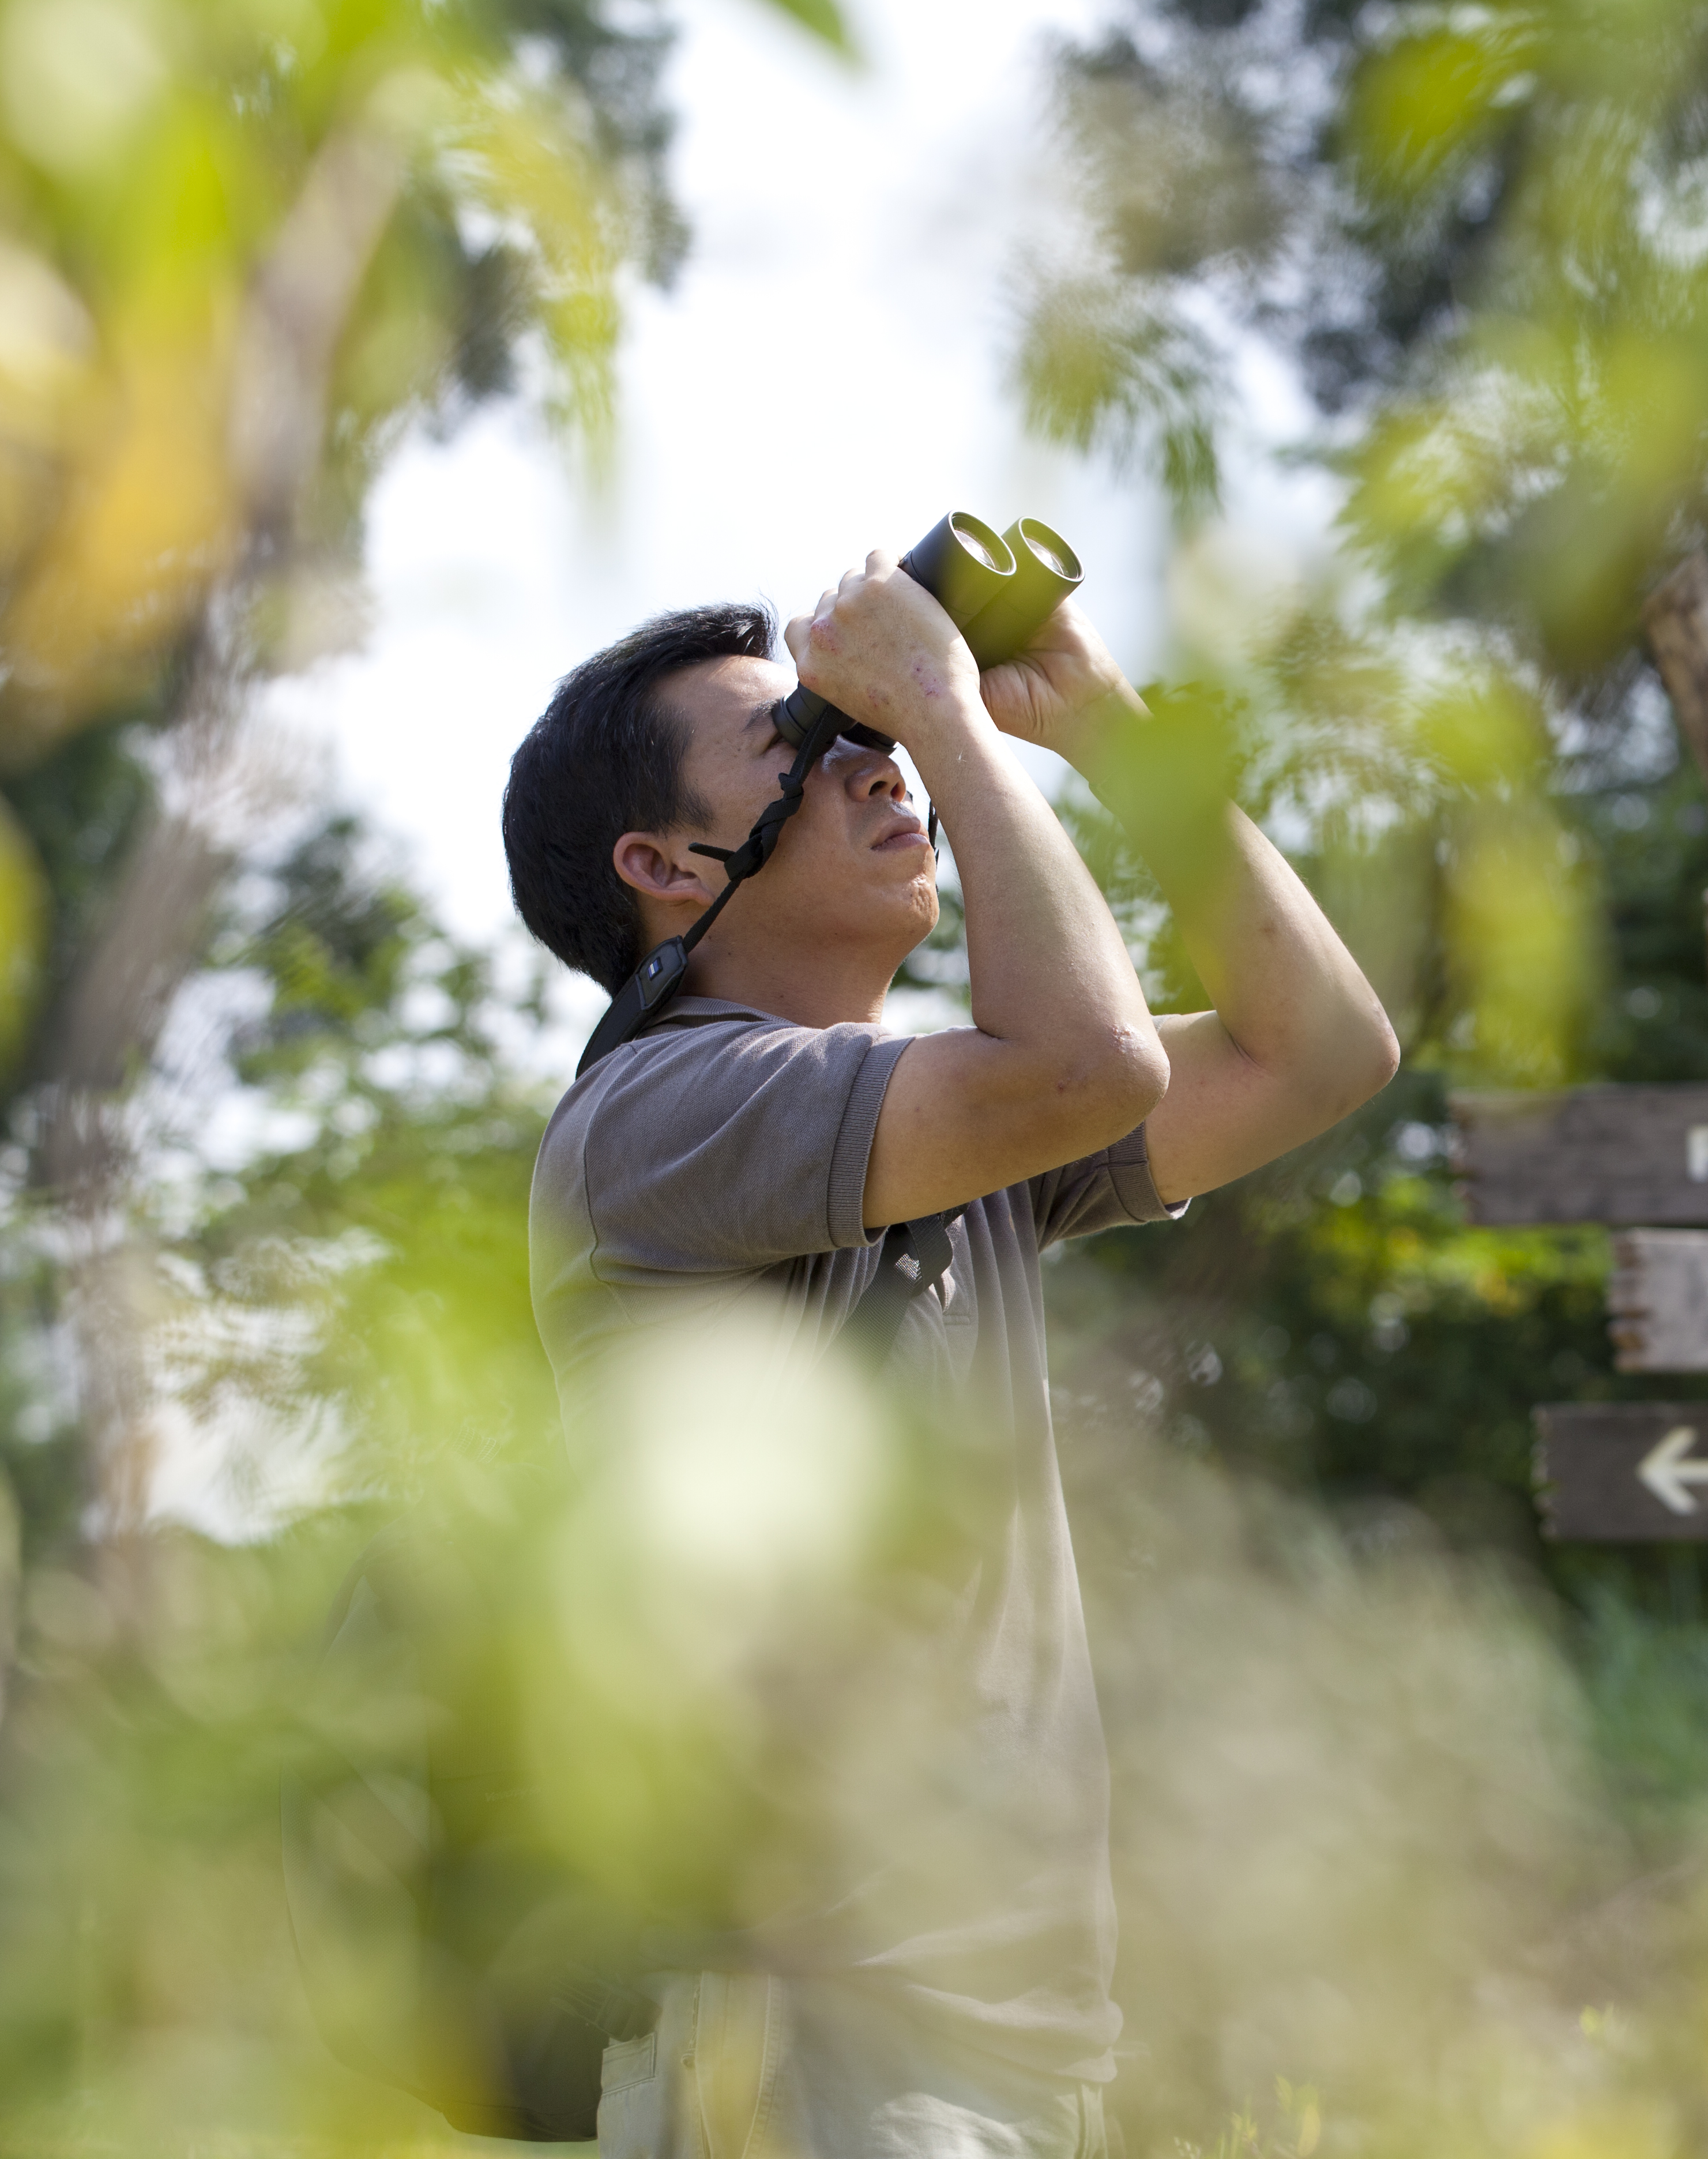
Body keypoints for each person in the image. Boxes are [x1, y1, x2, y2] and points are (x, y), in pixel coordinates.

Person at [498, 551, 1400, 2157]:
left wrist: (1106, 725)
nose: (877, 762)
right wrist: (949, 719)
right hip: (802, 2026)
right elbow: (1090, 1061)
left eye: (869, 733)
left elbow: (1322, 1050)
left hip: (1001, 2033)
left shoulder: (934, 1124)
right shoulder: (658, 1121)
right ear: (663, 865)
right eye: (804, 749)